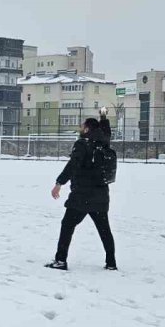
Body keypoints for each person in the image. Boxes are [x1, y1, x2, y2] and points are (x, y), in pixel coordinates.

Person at [45, 107, 117, 271]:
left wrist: (59, 183)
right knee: (104, 230)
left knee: (67, 225)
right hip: (101, 196)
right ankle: (111, 263)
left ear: (86, 129)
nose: (80, 128)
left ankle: (60, 261)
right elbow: (106, 131)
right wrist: (103, 117)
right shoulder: (103, 142)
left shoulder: (82, 144)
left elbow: (73, 165)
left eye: (82, 126)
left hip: (81, 196)